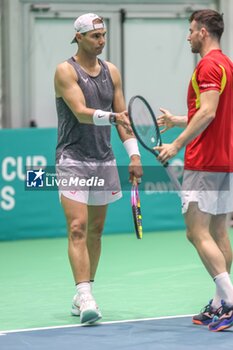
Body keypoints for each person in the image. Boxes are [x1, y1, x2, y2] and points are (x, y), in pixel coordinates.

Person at [54, 13, 142, 324]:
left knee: (96, 230)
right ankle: (86, 294)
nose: (101, 41)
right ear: (78, 37)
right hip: (73, 158)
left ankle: (83, 293)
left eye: (103, 35)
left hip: (103, 159)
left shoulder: (112, 72)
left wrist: (133, 155)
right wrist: (114, 117)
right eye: (95, 36)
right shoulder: (66, 71)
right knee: (77, 226)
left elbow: (123, 116)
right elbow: (80, 112)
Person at [155, 9, 233, 332]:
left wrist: (175, 144)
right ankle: (219, 304)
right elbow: (206, 112)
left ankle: (229, 300)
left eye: (190, 30)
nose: (187, 36)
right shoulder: (226, 64)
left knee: (195, 232)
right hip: (225, 159)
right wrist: (176, 120)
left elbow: (209, 113)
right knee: (217, 233)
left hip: (203, 161)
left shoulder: (208, 65)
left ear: (203, 31)